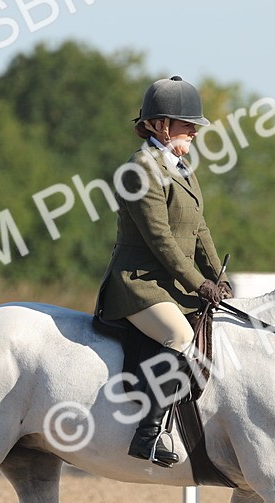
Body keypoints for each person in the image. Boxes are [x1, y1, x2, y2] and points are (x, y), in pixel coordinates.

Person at [95, 76, 232, 467]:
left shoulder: (181, 168)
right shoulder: (140, 169)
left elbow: (198, 228)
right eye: (185, 123)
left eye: (193, 124)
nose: (193, 130)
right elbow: (161, 240)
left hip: (170, 284)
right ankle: (148, 434)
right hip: (138, 284)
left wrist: (216, 274)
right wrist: (198, 282)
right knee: (178, 334)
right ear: (158, 125)